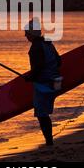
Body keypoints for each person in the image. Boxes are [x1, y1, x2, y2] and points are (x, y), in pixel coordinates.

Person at [23, 18, 62, 146]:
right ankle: (49, 140)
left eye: (27, 33)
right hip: (56, 82)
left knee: (41, 114)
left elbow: (38, 68)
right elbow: (59, 61)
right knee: (45, 112)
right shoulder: (48, 43)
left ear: (32, 34)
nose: (25, 35)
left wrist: (30, 77)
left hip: (44, 85)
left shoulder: (35, 48)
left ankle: (49, 142)